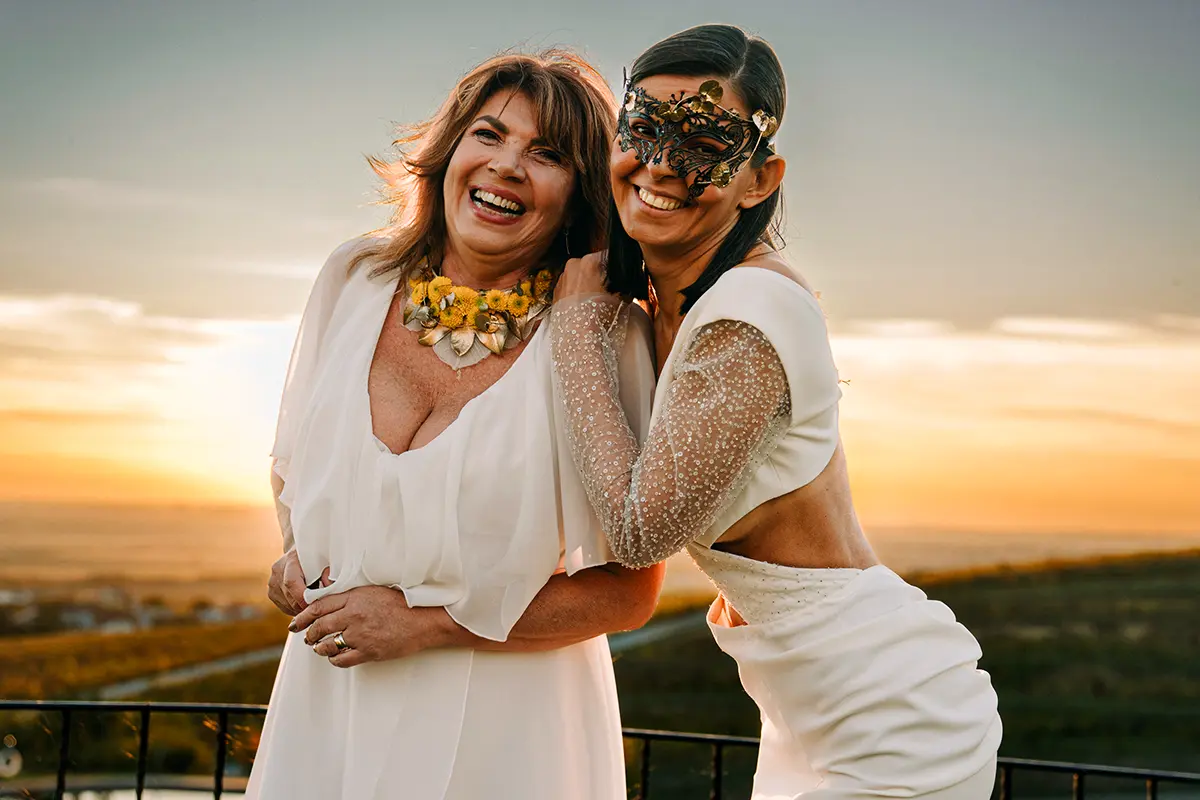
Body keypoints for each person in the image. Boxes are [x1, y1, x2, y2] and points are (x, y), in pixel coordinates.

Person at [551, 25, 1002, 799]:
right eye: (646, 128)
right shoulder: (666, 304)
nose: (660, 164)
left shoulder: (747, 319)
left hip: (892, 719)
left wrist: (572, 331)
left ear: (759, 180)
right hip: (806, 713)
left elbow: (637, 533)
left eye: (704, 141)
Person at [249, 50, 663, 800]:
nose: (507, 165)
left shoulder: (605, 337)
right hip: (330, 709)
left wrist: (428, 623)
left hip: (508, 732)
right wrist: (298, 557)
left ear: (578, 197)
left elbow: (629, 595)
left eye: (547, 154)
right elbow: (295, 474)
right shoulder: (352, 279)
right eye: (489, 135)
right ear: (448, 154)